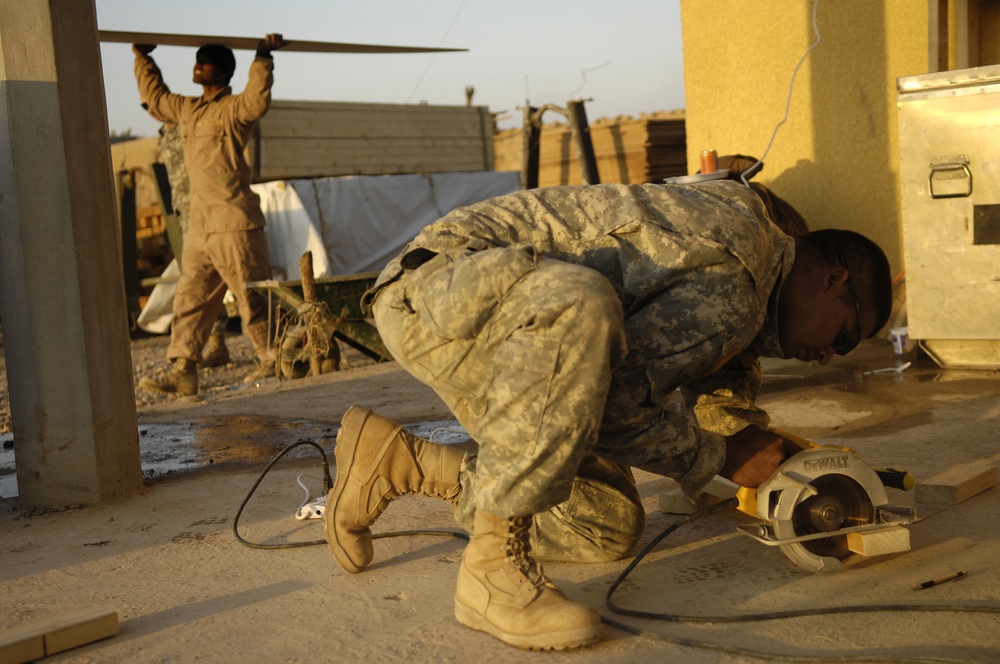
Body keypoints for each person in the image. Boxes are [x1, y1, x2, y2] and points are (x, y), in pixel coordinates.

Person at [324, 180, 893, 650]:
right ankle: (489, 571)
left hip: (509, 308)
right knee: (579, 305)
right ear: (832, 281)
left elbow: (721, 402)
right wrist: (713, 457)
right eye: (842, 338)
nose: (825, 356)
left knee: (602, 523)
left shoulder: (757, 287)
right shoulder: (738, 280)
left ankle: (400, 461)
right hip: (437, 287)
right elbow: (619, 408)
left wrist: (774, 458)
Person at [133, 34, 287, 396]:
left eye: (205, 60)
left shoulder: (233, 109)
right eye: (197, 58)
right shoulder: (188, 109)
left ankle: (274, 359)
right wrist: (142, 59)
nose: (197, 64)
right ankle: (184, 369)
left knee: (253, 298)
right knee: (190, 300)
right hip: (201, 226)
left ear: (224, 71)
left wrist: (262, 58)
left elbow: (256, 102)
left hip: (234, 222)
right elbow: (155, 97)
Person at [144, 105, 230, 368]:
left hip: (202, 212)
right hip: (186, 215)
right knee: (194, 284)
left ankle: (217, 343)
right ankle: (198, 349)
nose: (152, 112)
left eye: (154, 106)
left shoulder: (187, 129)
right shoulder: (164, 135)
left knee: (211, 279)